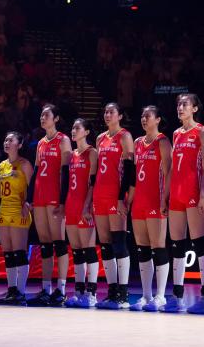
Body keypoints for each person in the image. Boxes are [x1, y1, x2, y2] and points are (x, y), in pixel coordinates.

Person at [163, 93, 204, 314]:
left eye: (185, 104)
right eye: (179, 104)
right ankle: (177, 296)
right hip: (176, 194)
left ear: (194, 108)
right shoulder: (176, 133)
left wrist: (203, 194)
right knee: (177, 245)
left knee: (199, 242)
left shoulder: (202, 131)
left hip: (194, 193)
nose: (180, 107)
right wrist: (165, 196)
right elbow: (172, 168)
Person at [0, 132, 33, 305]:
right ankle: (12, 290)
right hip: (3, 212)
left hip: (18, 211)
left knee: (19, 252)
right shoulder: (2, 165)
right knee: (8, 253)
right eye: (5, 139)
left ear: (20, 144)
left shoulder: (24, 164)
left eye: (10, 140)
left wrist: (29, 203)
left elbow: (34, 187)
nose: (6, 142)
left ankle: (21, 293)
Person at [27, 104, 73, 307]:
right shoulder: (40, 143)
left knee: (59, 242)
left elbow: (66, 173)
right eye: (41, 115)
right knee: (44, 243)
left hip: (55, 197)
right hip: (39, 197)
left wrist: (63, 201)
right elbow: (36, 172)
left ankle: (60, 290)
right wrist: (29, 198)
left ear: (56, 119)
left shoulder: (63, 140)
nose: (42, 117)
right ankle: (46, 289)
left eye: (46, 115)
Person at [129, 106, 172, 312]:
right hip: (139, 202)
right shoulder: (138, 142)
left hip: (156, 201)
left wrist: (165, 199)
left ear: (158, 119)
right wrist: (129, 200)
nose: (144, 119)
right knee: (142, 248)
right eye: (142, 116)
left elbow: (169, 172)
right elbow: (135, 175)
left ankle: (160, 295)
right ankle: (146, 295)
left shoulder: (162, 141)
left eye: (148, 116)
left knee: (158, 246)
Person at [93, 102, 135, 309]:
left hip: (115, 195)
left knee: (119, 243)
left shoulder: (125, 136)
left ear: (120, 116)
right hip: (99, 195)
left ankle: (124, 294)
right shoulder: (100, 138)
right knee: (106, 245)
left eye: (111, 112)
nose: (107, 115)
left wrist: (121, 197)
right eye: (106, 112)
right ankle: (112, 291)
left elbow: (129, 170)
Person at [64, 118, 99, 308]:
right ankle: (78, 292)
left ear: (86, 132)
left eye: (77, 128)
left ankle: (91, 293)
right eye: (72, 127)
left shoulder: (92, 153)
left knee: (88, 249)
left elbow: (93, 183)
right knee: (76, 251)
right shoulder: (71, 155)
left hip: (84, 206)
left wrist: (87, 206)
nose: (73, 130)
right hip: (71, 205)